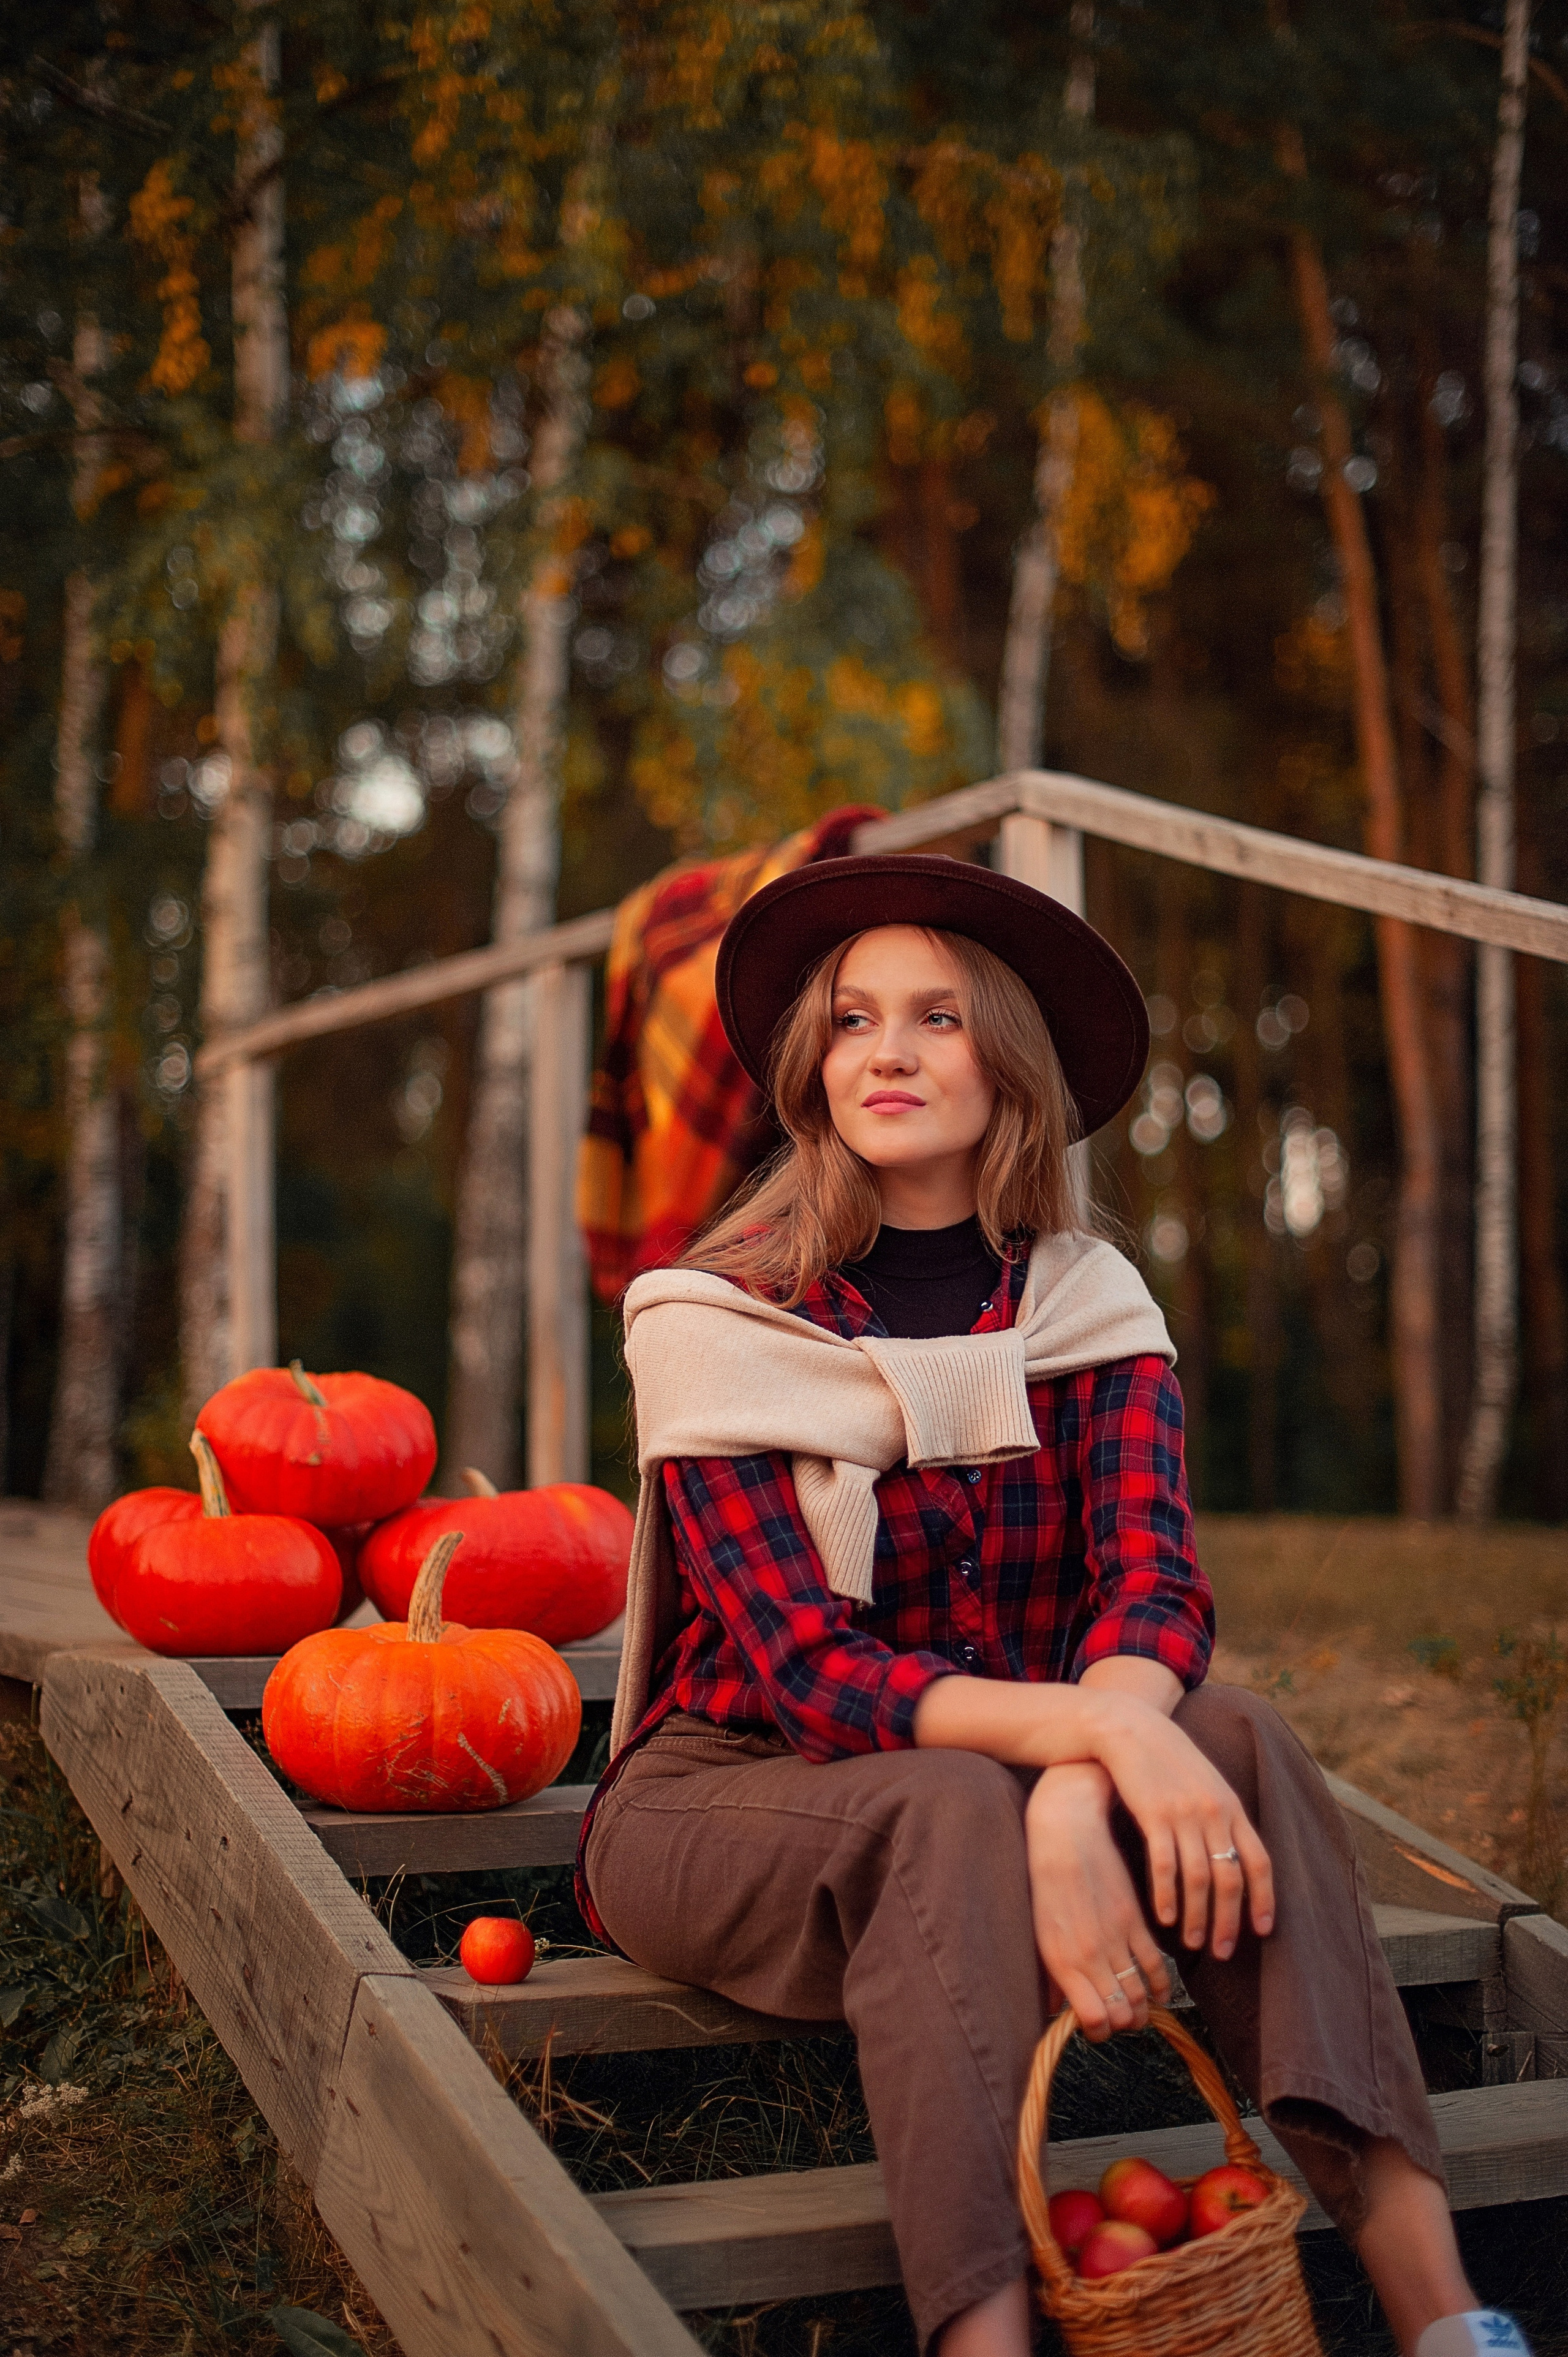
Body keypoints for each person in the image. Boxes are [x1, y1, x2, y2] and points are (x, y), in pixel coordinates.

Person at [578, 853, 1526, 2357]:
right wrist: (1081, 1746)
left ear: (1005, 1057)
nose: (885, 1051)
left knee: (1237, 1738)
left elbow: (1151, 1587)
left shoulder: (1086, 1307)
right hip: (734, 1798)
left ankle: (1444, 2319)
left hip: (987, 1778)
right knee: (954, 1799)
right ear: (810, 1070)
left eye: (936, 1017)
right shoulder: (719, 1317)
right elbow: (818, 1682)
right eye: (848, 1022)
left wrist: (1081, 1787)